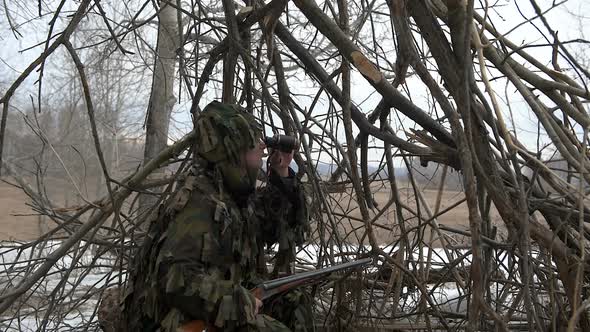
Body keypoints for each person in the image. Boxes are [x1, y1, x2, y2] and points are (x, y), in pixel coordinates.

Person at [119, 101, 312, 331]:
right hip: (179, 320)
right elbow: (174, 277)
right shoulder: (199, 203)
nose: (262, 149)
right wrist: (235, 301)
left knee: (294, 302)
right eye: (254, 145)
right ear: (233, 154)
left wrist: (281, 171)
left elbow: (272, 226)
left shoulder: (232, 195)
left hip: (218, 306)